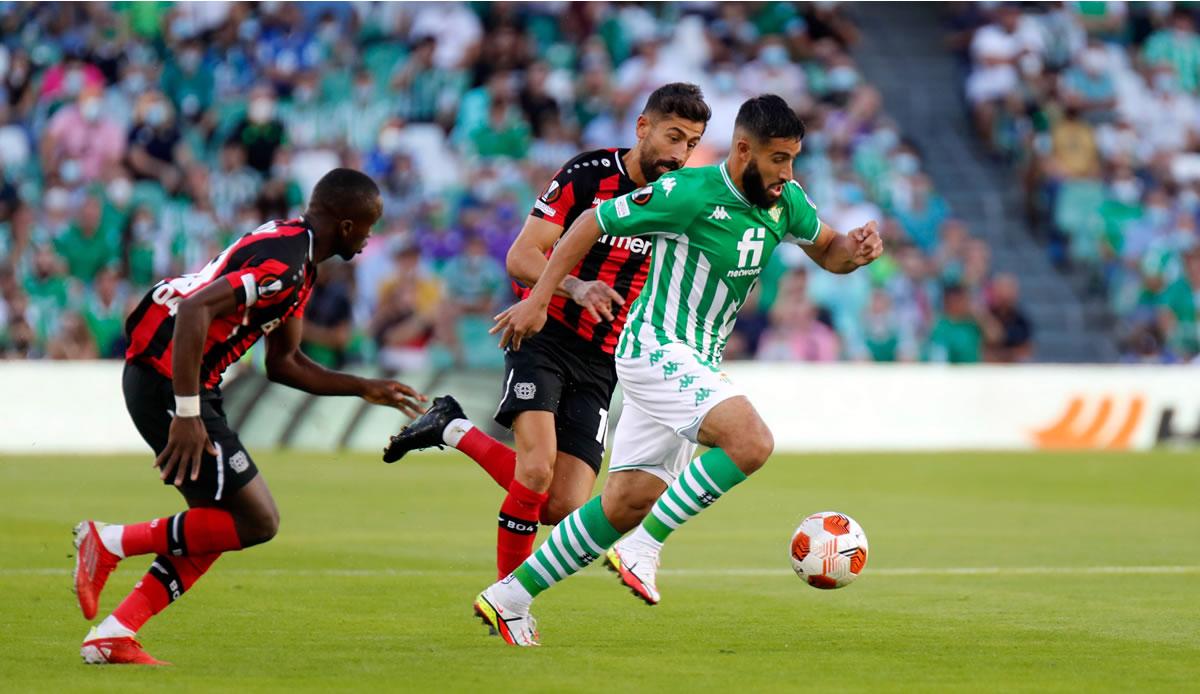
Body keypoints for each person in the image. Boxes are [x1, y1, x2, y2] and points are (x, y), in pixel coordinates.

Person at [476, 95, 883, 646]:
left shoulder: (785, 201)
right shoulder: (688, 192)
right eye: (779, 159)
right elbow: (592, 220)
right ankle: (645, 547)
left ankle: (509, 598)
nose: (788, 172)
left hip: (695, 360)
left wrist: (855, 249)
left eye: (793, 159)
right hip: (653, 347)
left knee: (626, 503)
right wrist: (542, 298)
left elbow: (829, 249)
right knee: (750, 441)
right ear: (745, 151)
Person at [72, 168, 427, 665]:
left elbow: (284, 362)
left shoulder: (298, 257)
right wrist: (188, 412)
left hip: (179, 380)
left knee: (220, 524)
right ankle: (108, 541)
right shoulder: (287, 265)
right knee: (258, 520)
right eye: (369, 226)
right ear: (347, 225)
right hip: (169, 378)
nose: (370, 238)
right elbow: (194, 309)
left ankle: (114, 634)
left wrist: (363, 387)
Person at [382, 84, 711, 579]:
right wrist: (574, 288)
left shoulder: (681, 199)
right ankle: (507, 601)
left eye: (691, 143)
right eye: (673, 136)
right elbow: (522, 255)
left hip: (605, 357)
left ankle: (451, 427)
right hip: (546, 332)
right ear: (643, 127)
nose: (680, 153)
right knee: (535, 469)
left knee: (561, 506)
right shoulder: (588, 174)